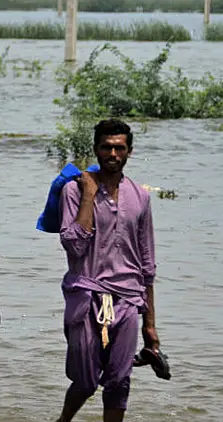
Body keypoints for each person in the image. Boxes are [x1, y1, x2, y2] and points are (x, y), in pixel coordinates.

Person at [55, 119, 162, 422]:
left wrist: (150, 326)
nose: (112, 153)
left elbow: (147, 264)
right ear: (95, 149)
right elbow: (74, 246)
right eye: (106, 147)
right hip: (85, 294)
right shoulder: (74, 192)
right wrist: (89, 195)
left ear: (129, 151)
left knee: (119, 381)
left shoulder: (140, 197)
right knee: (86, 380)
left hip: (128, 299)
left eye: (119, 148)